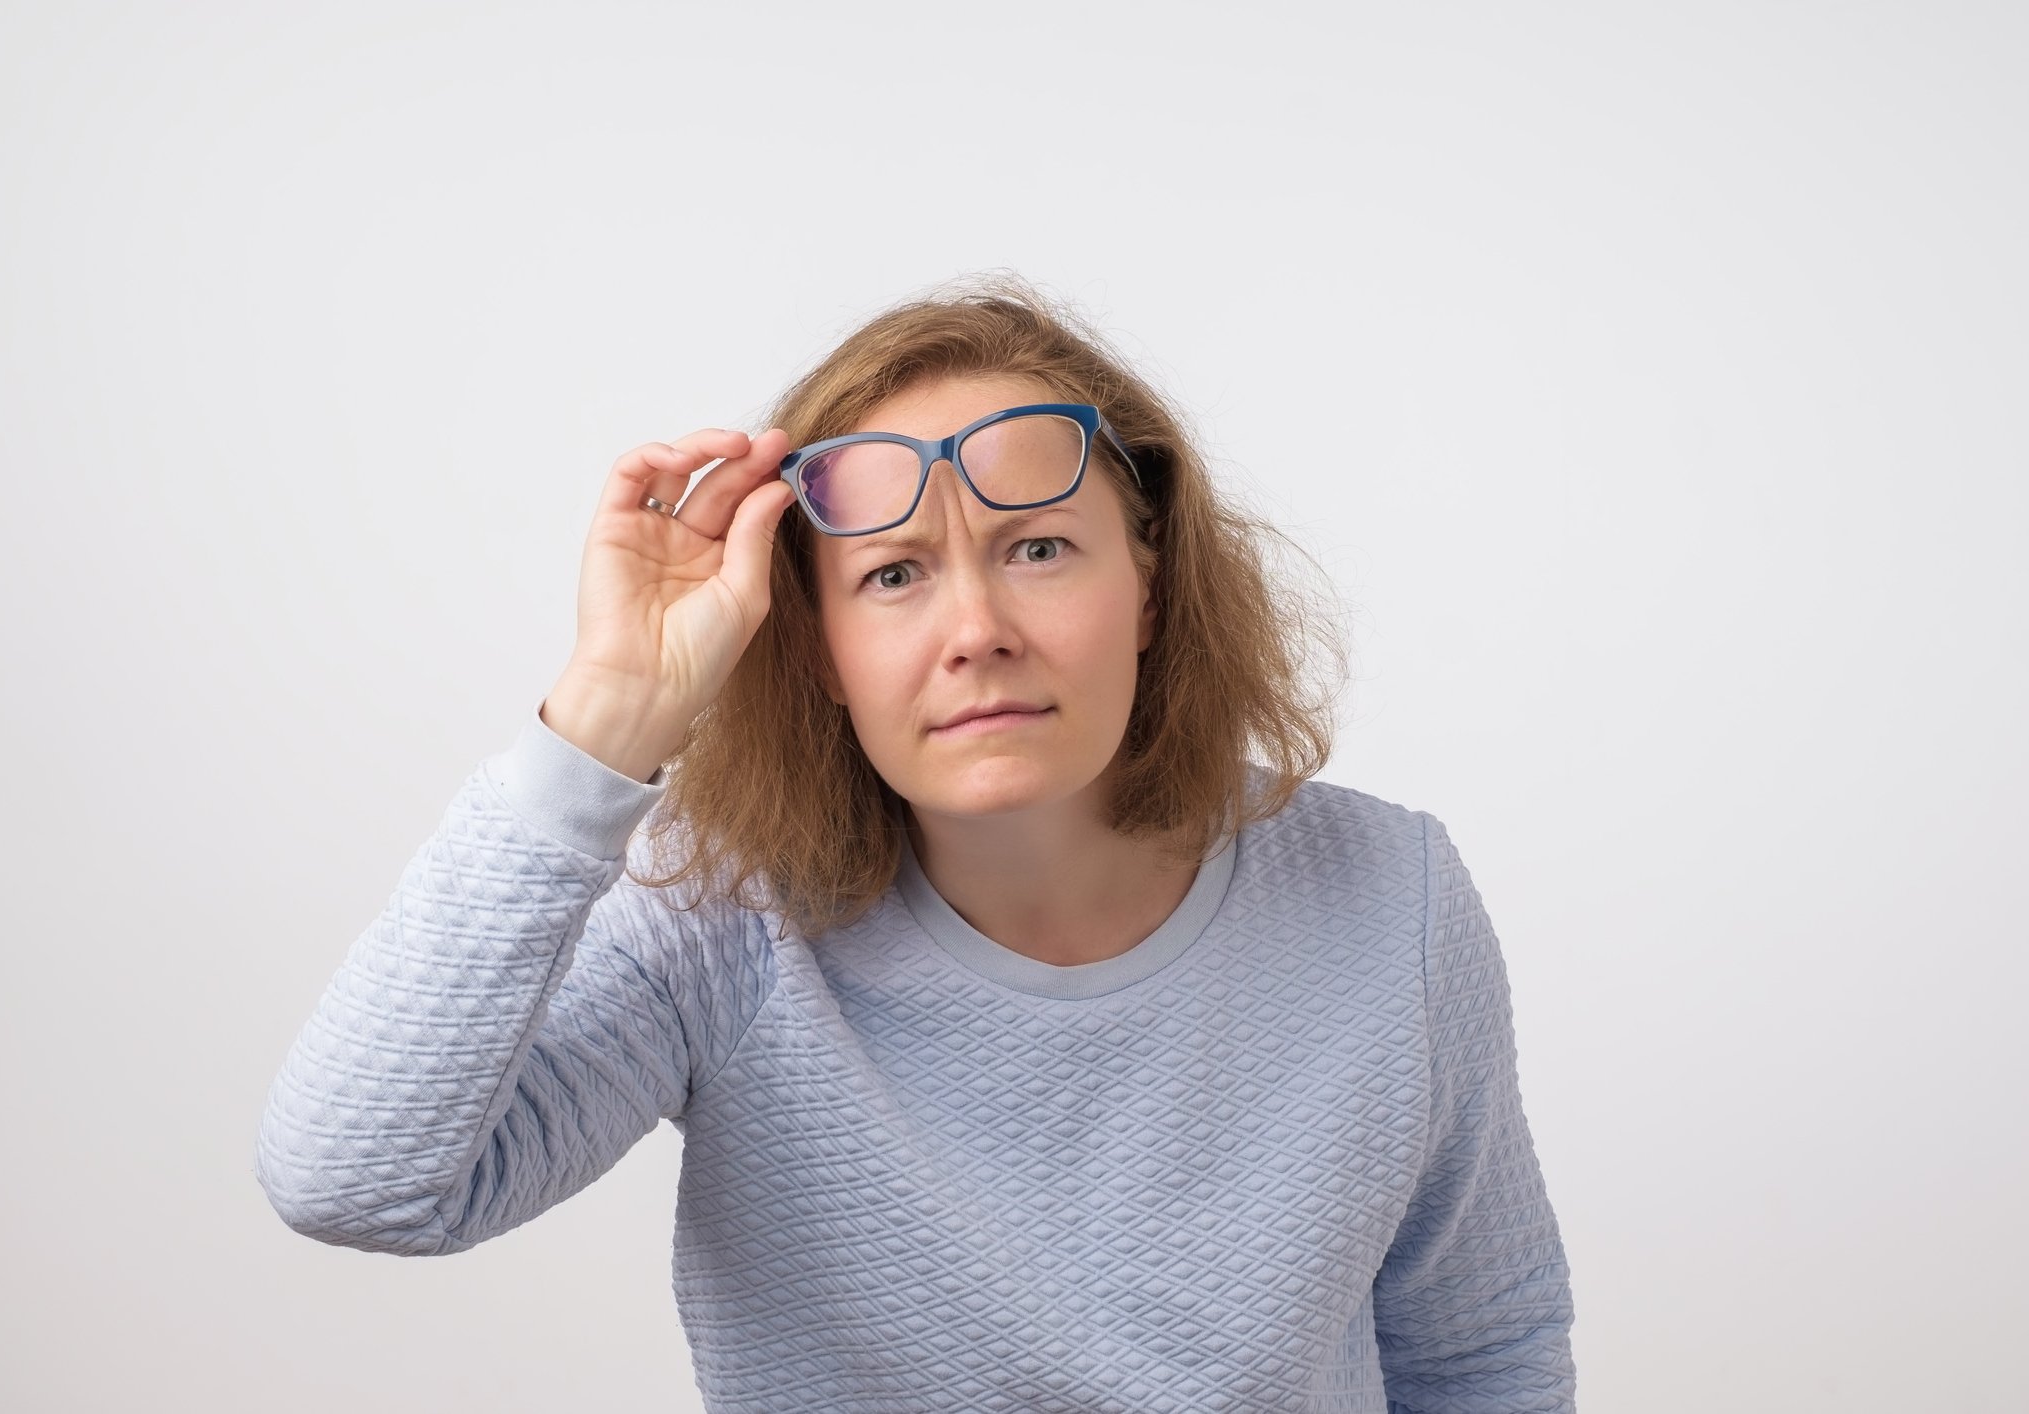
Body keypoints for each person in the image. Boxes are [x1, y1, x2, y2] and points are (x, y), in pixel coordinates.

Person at [253, 274, 1579, 1412]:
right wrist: (608, 716)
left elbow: (1483, 1346)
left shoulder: (1390, 898)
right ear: (818, 648)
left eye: (1041, 546)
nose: (976, 628)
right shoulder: (720, 921)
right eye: (893, 573)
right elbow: (355, 1178)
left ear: (1153, 588)